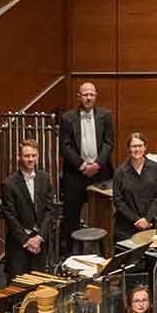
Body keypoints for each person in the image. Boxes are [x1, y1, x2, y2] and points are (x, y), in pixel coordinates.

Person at [57, 82, 114, 245]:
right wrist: (83, 166)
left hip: (100, 172)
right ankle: (71, 250)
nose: (88, 98)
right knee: (71, 214)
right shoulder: (67, 118)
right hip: (75, 173)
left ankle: (105, 248)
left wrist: (97, 164)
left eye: (91, 94)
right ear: (79, 97)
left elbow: (109, 143)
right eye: (85, 94)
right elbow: (64, 147)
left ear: (96, 96)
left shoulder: (105, 115)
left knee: (103, 213)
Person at [0, 139, 58, 275]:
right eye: (26, 156)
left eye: (33, 155)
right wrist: (27, 241)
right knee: (18, 284)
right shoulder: (8, 184)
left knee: (39, 282)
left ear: (38, 156)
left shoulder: (45, 178)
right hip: (19, 244)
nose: (30, 159)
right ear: (18, 157)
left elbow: (50, 210)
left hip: (40, 241)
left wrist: (39, 237)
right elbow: (10, 216)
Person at [110, 133, 157, 243]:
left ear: (145, 147)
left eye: (140, 146)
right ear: (128, 148)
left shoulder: (155, 168)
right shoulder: (120, 172)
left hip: (151, 223)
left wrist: (147, 219)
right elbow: (118, 201)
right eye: (134, 146)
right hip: (126, 226)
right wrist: (137, 220)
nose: (137, 149)